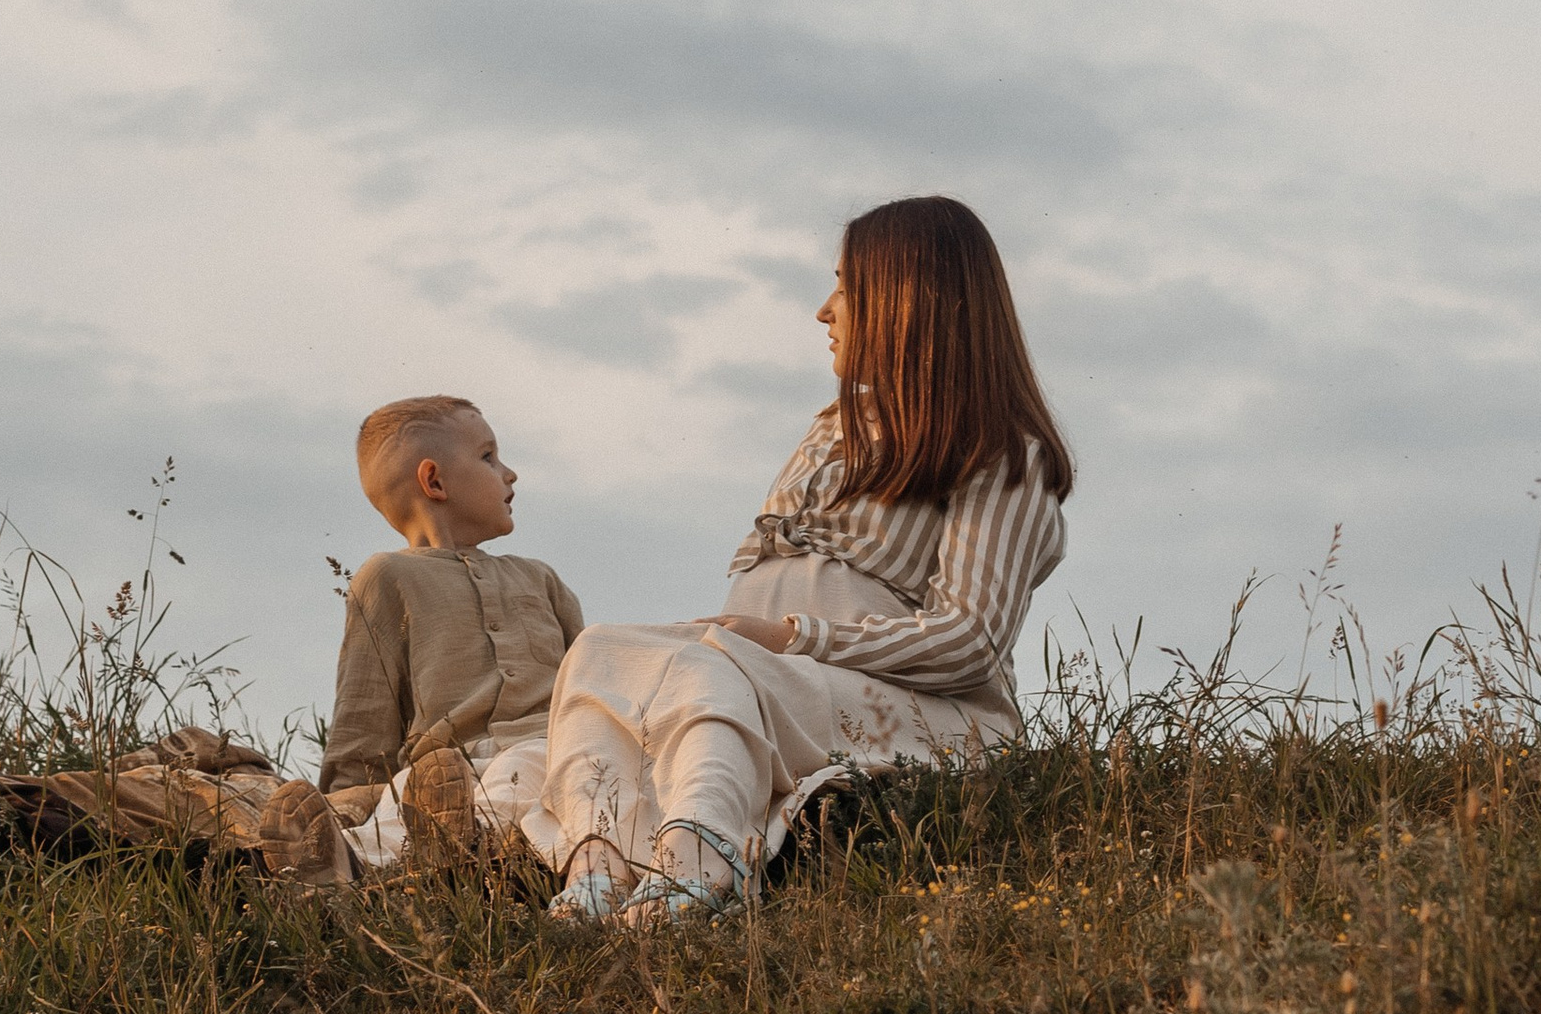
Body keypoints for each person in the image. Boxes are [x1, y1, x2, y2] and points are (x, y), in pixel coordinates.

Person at [531, 195, 1072, 921]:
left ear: (906, 299)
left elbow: (970, 639)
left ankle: (701, 866)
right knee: (602, 651)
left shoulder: (1002, 453)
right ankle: (602, 870)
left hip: (925, 713)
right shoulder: (832, 431)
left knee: (709, 666)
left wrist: (792, 637)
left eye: (847, 285)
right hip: (777, 683)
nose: (825, 310)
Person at [318, 395, 585, 871]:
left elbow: (588, 683)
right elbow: (364, 712)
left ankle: (448, 845)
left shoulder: (539, 578)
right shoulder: (386, 576)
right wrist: (345, 799)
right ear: (434, 481)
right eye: (488, 457)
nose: (510, 473)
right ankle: (336, 859)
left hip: (549, 749)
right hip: (443, 770)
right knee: (395, 808)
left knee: (525, 774)